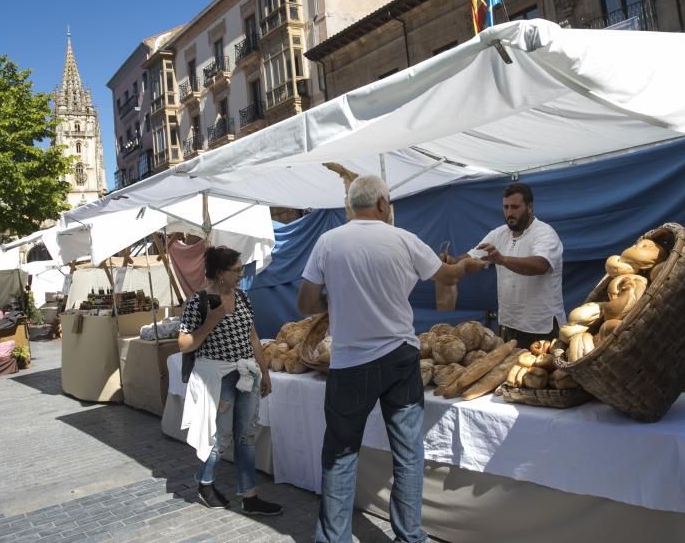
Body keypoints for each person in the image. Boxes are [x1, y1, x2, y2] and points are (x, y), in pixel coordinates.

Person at [297, 175, 472, 543]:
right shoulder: (405, 240)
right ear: (381, 204)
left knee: (341, 454)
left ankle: (333, 539)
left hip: (349, 364)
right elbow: (449, 275)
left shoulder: (328, 242)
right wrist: (473, 263)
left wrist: (337, 301)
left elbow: (306, 303)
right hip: (399, 359)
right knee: (408, 454)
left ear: (351, 206)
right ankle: (409, 536)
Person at [177, 245, 282, 516]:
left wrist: (265, 372)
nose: (241, 274)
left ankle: (249, 495)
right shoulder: (198, 301)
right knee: (220, 438)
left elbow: (253, 337)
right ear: (221, 273)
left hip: (246, 374)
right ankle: (205, 481)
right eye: (237, 270)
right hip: (218, 378)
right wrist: (212, 320)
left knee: (246, 436)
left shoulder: (243, 297)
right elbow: (184, 343)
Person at [474, 182, 564, 348]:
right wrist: (450, 262)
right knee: (511, 373)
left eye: (515, 207)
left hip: (541, 326)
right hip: (509, 323)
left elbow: (541, 265)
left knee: (545, 373)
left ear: (529, 207)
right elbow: (473, 256)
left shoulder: (544, 233)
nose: (509, 213)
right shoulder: (499, 234)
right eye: (506, 207)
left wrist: (502, 260)